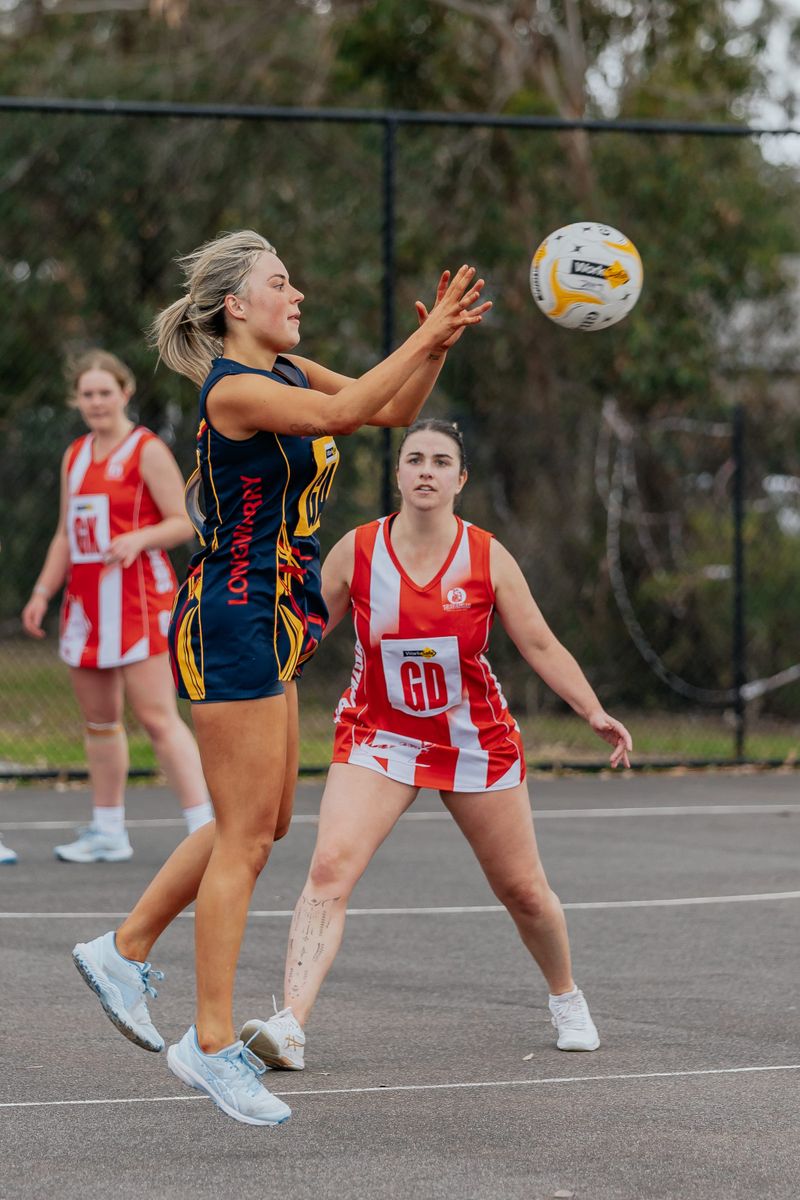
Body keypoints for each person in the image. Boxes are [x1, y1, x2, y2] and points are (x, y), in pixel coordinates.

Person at [70, 231, 491, 1128]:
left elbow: (384, 409)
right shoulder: (237, 390)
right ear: (236, 304)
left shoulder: (291, 369)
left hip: (272, 617)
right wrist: (424, 338)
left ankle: (123, 949)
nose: (293, 292)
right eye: (279, 281)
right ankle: (211, 1042)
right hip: (229, 617)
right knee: (245, 841)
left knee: (263, 822)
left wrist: (437, 345)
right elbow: (346, 418)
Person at [239, 418, 633, 1071]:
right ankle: (290, 1026)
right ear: (397, 473)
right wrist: (247, 680)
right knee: (329, 868)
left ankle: (566, 996)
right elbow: (300, 633)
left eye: (440, 461)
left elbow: (537, 641)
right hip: (379, 733)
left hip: (472, 739)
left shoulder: (486, 557)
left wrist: (591, 710)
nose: (426, 470)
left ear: (460, 478)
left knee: (524, 890)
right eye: (414, 458)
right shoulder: (358, 552)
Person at [20, 351, 213, 862]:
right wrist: (42, 592)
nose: (96, 402)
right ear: (77, 400)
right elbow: (66, 533)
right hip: (87, 605)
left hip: (140, 599)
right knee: (100, 722)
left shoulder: (145, 450)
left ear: (125, 393)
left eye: (105, 392)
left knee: (157, 717)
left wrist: (139, 539)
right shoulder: (75, 455)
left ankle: (204, 827)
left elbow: (183, 521)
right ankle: (108, 830)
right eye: (87, 394)